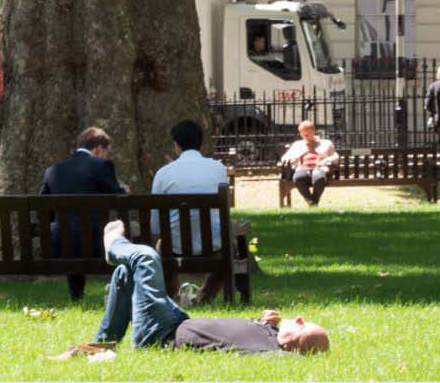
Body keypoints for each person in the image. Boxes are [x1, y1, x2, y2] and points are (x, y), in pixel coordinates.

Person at [79, 220, 328, 356]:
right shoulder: (269, 335)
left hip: (160, 335)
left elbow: (284, 357)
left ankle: (114, 245)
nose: (298, 318)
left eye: (303, 326)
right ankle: (101, 345)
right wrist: (263, 322)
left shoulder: (272, 351)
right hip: (178, 321)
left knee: (145, 258)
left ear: (293, 346)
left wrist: (294, 349)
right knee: (126, 273)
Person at [39, 127, 127, 302]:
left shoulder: (53, 170)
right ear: (99, 148)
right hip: (97, 245)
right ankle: (121, 295)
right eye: (106, 152)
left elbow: (45, 212)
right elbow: (119, 200)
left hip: (59, 245)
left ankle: (76, 296)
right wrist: (124, 190)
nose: (106, 157)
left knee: (73, 231)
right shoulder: (101, 165)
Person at [147, 120, 230, 251]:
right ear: (201, 145)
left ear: (176, 145)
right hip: (213, 247)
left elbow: (155, 226)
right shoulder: (219, 169)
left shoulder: (163, 174)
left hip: (175, 248)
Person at [279, 119, 338, 206]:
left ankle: (314, 201)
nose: (305, 136)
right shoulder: (298, 144)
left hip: (319, 167)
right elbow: (285, 157)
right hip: (303, 168)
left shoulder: (326, 143)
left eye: (307, 133)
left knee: (319, 177)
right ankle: (311, 201)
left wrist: (326, 161)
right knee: (298, 177)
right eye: (302, 134)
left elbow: (335, 156)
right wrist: (292, 160)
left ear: (313, 131)